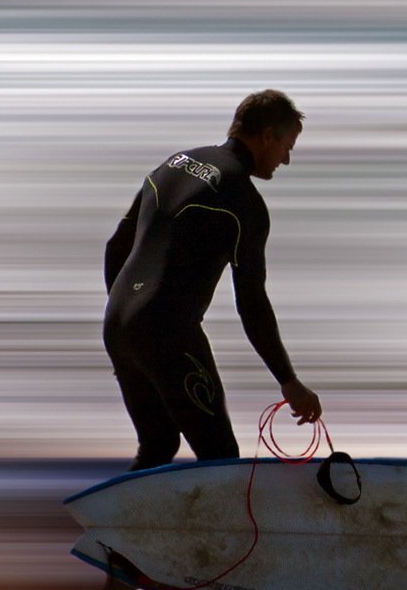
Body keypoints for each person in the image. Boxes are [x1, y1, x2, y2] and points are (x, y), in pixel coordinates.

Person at [101, 89, 323, 473]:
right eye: (286, 147)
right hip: (167, 332)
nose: (285, 159)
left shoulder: (174, 164)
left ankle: (121, 513)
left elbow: (115, 247)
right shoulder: (244, 202)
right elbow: (251, 302)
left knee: (158, 444)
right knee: (219, 458)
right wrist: (288, 381)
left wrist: (129, 314)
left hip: (117, 324)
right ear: (267, 136)